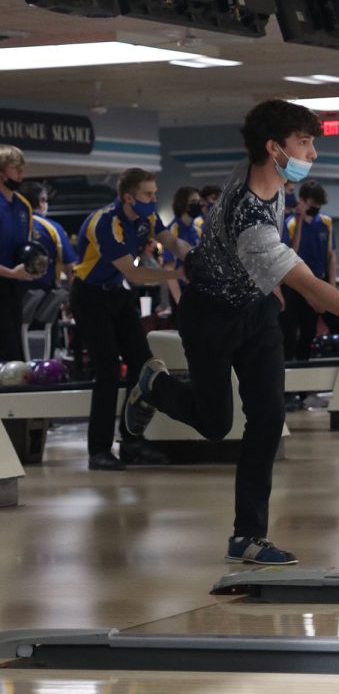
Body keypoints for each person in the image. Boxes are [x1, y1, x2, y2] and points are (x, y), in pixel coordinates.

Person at [124, 99, 339, 566]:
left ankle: (248, 536)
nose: (313, 153)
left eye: (312, 142)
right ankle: (152, 385)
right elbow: (317, 293)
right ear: (274, 149)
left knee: (266, 420)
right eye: (304, 143)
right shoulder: (252, 219)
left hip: (255, 314)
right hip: (210, 315)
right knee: (215, 424)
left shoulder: (266, 176)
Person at [70, 168, 191, 471]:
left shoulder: (147, 218)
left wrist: (198, 257)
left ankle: (131, 442)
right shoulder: (106, 223)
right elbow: (134, 273)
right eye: (148, 194)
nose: (153, 199)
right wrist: (177, 273)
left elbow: (172, 242)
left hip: (117, 295)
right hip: (90, 296)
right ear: (128, 197)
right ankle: (98, 450)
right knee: (108, 370)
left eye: (154, 193)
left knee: (143, 367)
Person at [280, 179, 339, 360]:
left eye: (318, 203)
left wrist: (331, 285)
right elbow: (292, 253)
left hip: (321, 280)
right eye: (313, 202)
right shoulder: (291, 222)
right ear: (303, 200)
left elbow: (331, 255)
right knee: (305, 331)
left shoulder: (326, 222)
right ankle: (301, 375)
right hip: (299, 284)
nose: (316, 206)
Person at [0, 145, 40, 361]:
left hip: (14, 286)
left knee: (14, 346)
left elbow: (25, 247)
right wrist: (10, 272)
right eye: (16, 169)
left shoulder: (23, 206)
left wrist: (31, 268)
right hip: (5, 278)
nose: (21, 174)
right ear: (1, 172)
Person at [20, 180, 77, 291]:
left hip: (9, 293)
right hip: (44, 294)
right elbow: (71, 269)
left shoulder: (9, 224)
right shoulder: (52, 228)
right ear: (41, 202)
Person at [163, 186, 204, 314]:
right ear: (182, 204)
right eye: (193, 201)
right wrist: (179, 301)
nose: (198, 204)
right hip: (181, 291)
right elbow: (169, 269)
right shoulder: (172, 231)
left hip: (199, 290)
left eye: (199, 201)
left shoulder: (198, 230)